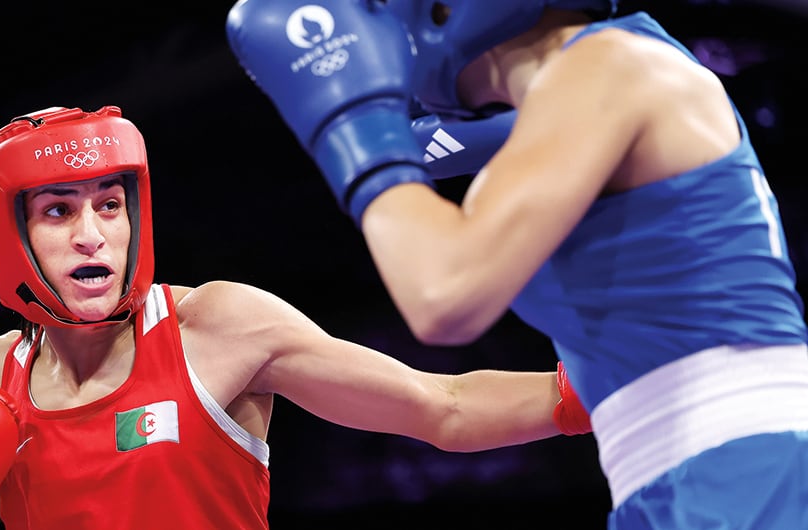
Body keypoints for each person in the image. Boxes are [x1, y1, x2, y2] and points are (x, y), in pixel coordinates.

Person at [226, 0, 808, 528]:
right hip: (672, 474)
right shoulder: (588, 86)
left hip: (746, 458)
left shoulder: (608, 64)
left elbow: (442, 294)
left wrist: (352, 124)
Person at [0, 105, 593, 530]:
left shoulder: (217, 326)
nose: (93, 234)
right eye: (58, 210)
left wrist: (602, 388)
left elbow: (443, 406)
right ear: (7, 236)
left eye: (110, 204)